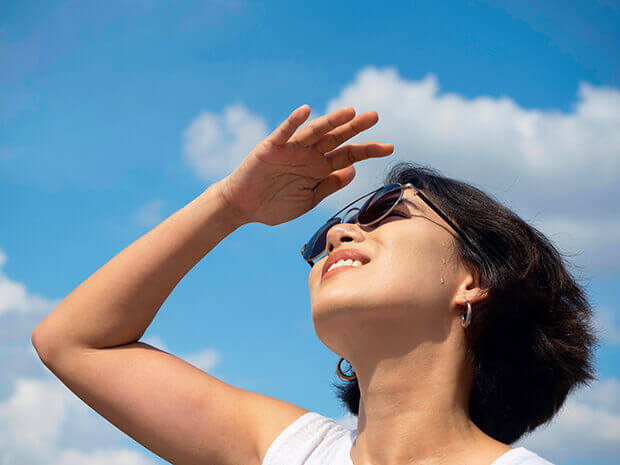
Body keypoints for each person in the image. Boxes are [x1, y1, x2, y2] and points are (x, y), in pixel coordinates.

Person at [31, 104, 598, 465]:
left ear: (474, 281)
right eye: (322, 235)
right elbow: (73, 342)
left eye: (384, 210)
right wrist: (230, 204)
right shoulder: (293, 452)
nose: (338, 234)